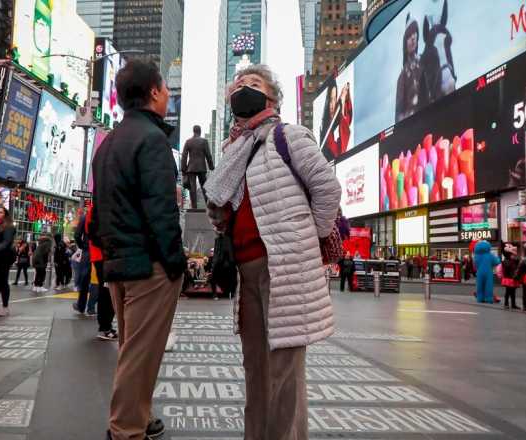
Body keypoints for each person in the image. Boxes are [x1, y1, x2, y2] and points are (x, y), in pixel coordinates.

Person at [204, 64, 341, 440]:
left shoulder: (288, 136)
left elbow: (328, 189)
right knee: (256, 370)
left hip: (285, 268)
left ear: (272, 98)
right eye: (239, 84)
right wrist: (220, 217)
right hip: (246, 269)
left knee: (284, 372)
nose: (243, 88)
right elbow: (227, 209)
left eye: (254, 83)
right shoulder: (232, 150)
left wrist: (306, 239)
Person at [88, 59, 186, 440]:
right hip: (150, 265)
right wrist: (176, 263)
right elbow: (161, 209)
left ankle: (139, 416)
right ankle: (126, 429)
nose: (167, 96)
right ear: (152, 93)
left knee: (132, 348)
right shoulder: (153, 140)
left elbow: (100, 211)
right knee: (141, 353)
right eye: (164, 89)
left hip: (119, 263)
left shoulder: (108, 144)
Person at [180, 125, 214, 210]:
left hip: (191, 168)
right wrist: (211, 167)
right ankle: (208, 206)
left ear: (193, 131)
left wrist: (184, 170)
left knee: (192, 188)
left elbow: (184, 156)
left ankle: (194, 207)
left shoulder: (188, 142)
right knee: (204, 187)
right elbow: (208, 155)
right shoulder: (204, 141)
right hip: (201, 167)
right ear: (200, 131)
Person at [501, 243, 520, 311]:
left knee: (513, 292)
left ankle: (513, 304)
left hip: (512, 278)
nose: (514, 256)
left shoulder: (513, 261)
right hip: (508, 278)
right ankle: (506, 304)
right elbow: (508, 268)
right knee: (508, 292)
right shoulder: (506, 261)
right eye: (512, 255)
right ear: (509, 255)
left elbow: (516, 267)